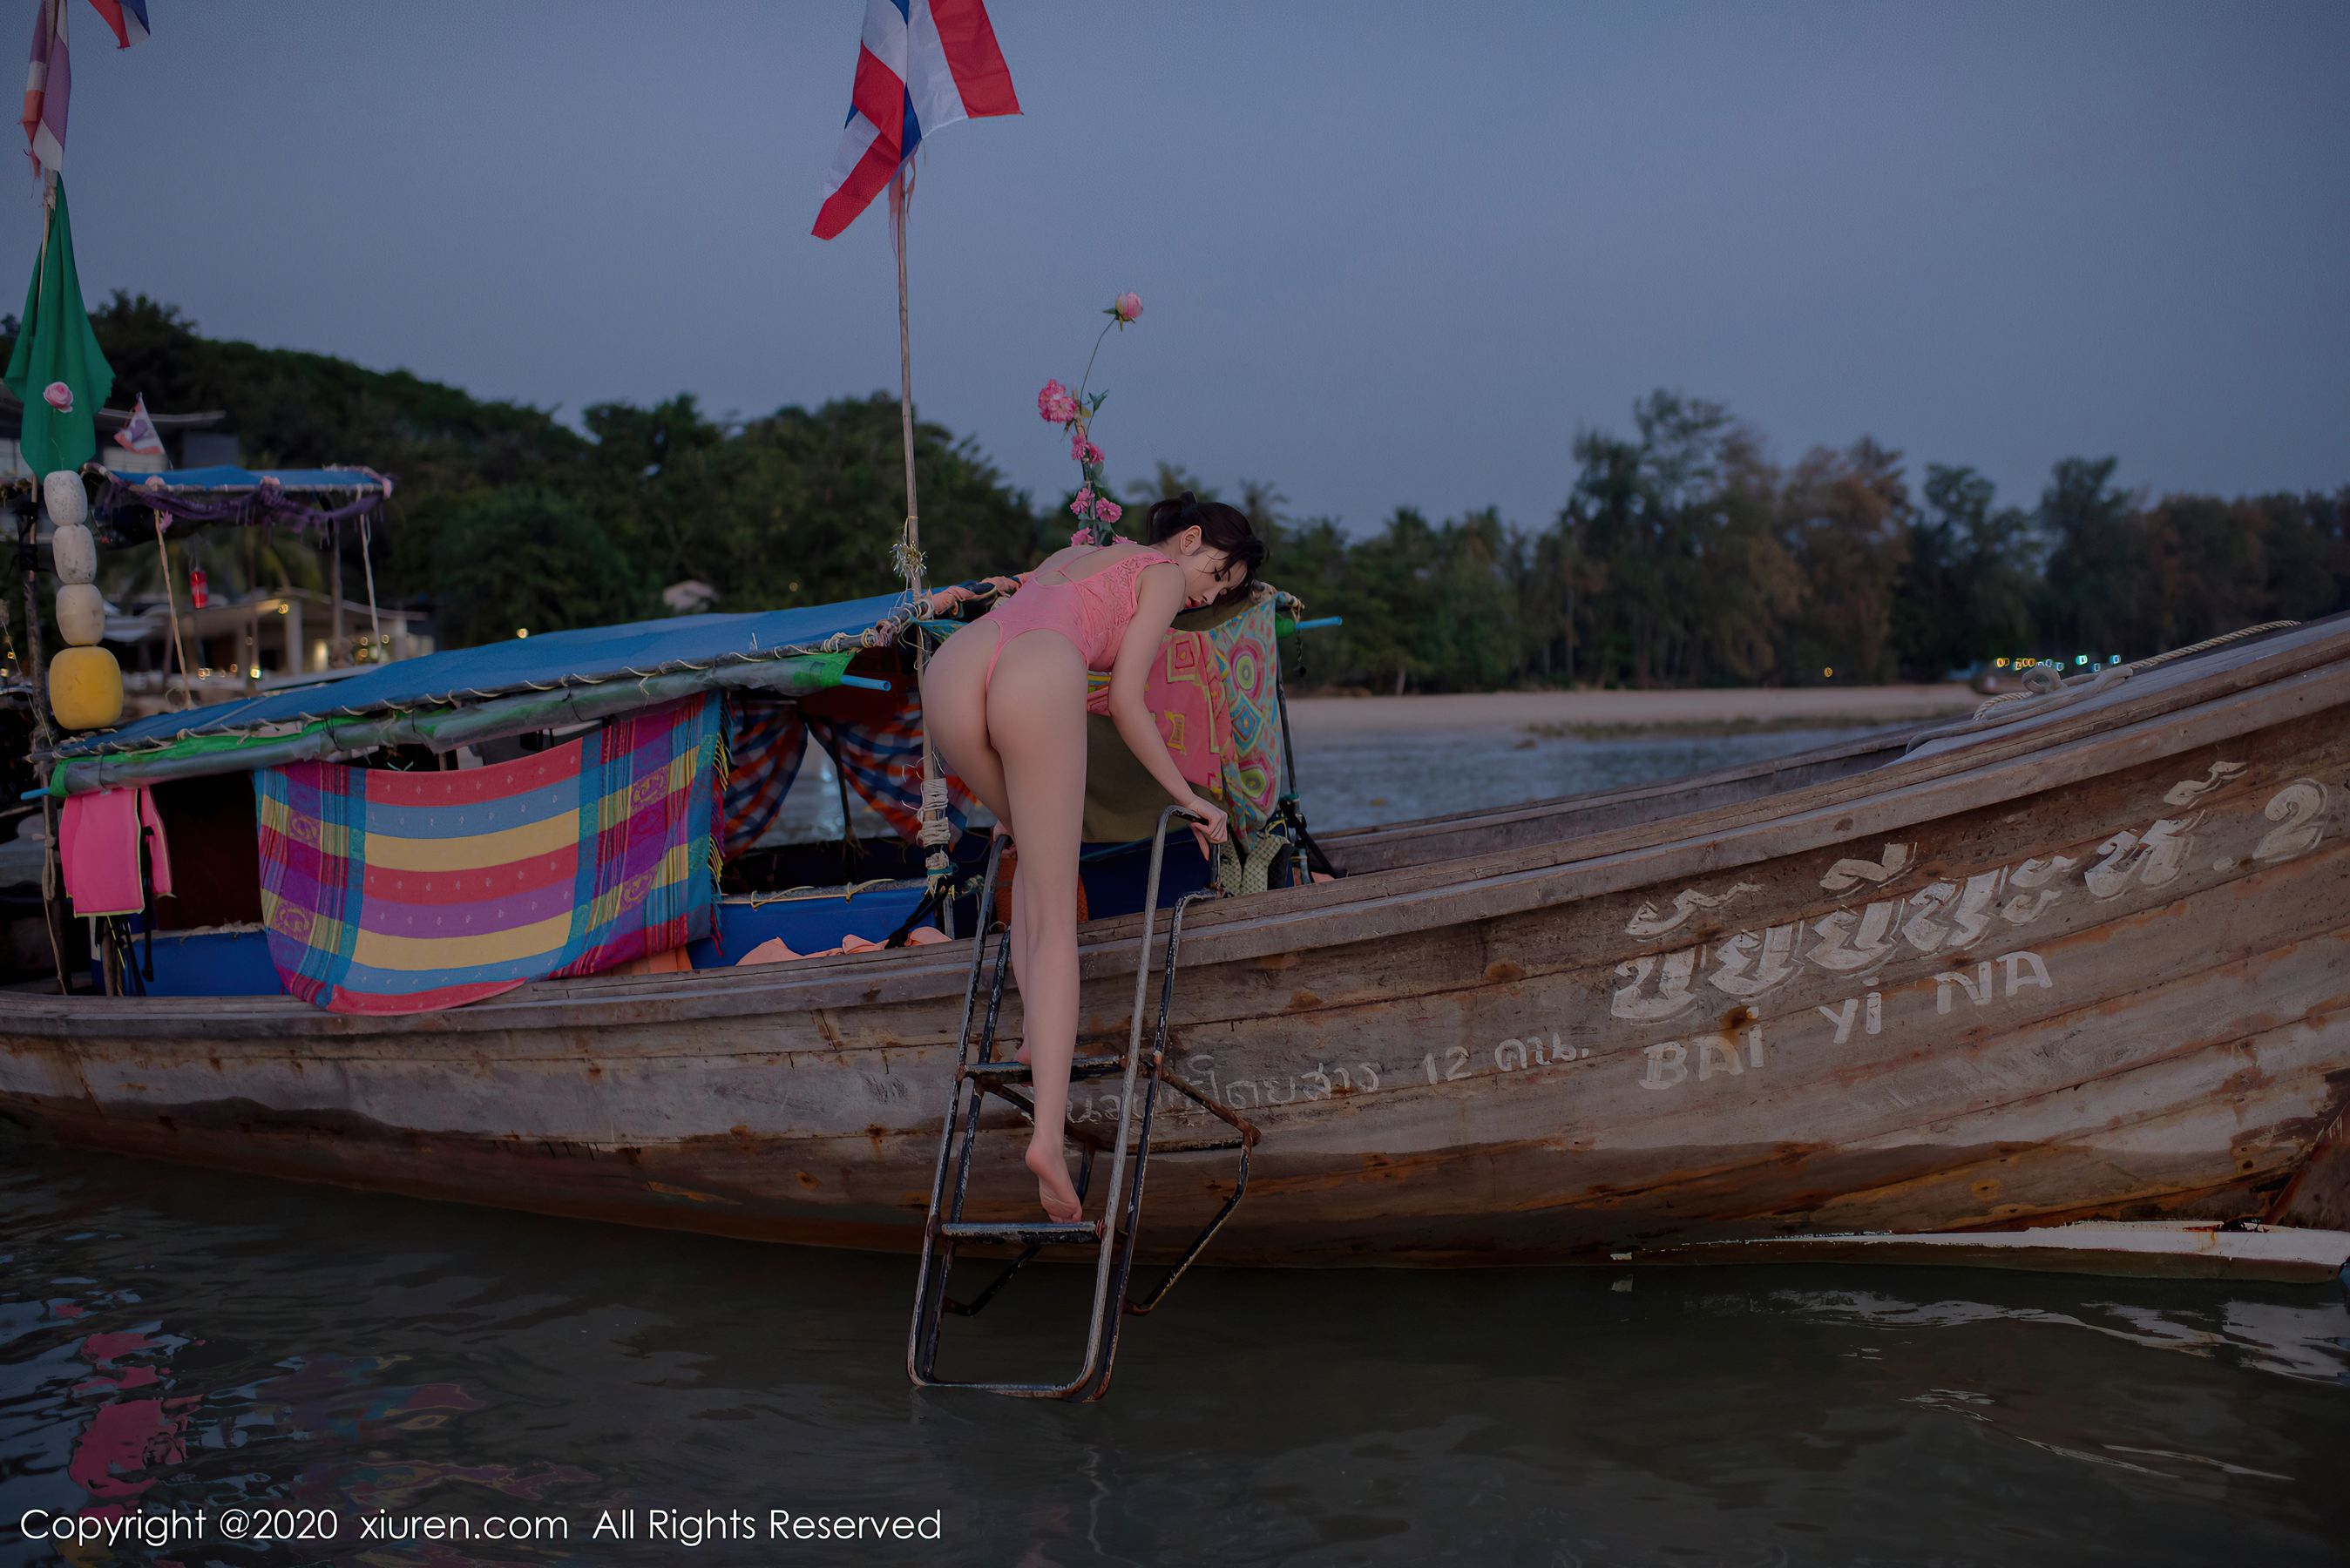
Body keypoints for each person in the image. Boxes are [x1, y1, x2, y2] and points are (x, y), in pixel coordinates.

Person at [919, 491, 1266, 1222]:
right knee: (1055, 911)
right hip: (1035, 674)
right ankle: (1047, 1138)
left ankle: (1029, 1039)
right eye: (1217, 575)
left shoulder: (1073, 555)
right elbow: (1128, 702)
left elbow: (1046, 623)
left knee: (1029, 856)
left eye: (1223, 593)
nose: (1208, 596)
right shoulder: (1160, 575)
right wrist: (1190, 798)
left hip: (956, 670)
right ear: (1189, 539)